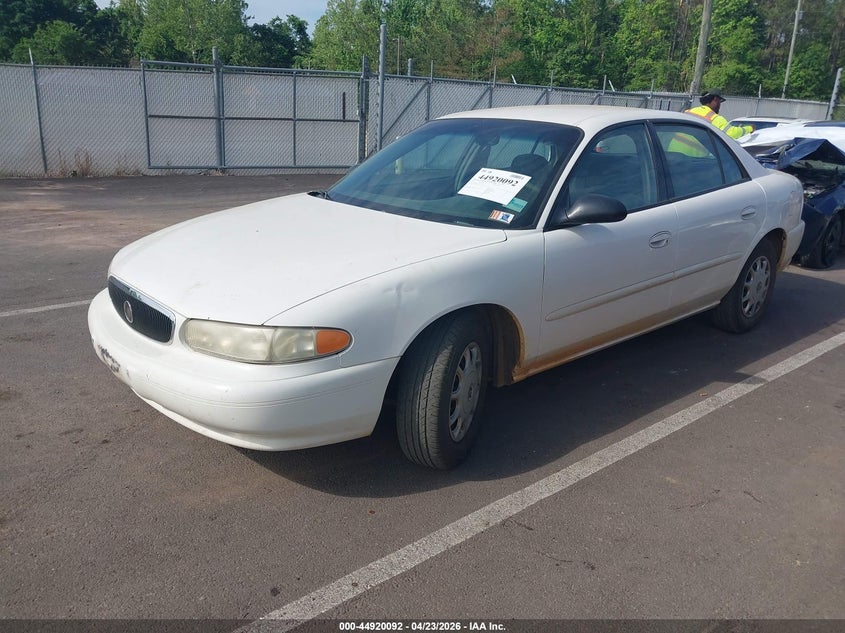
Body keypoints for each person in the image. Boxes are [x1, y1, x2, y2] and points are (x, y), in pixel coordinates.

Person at [685, 91, 753, 139]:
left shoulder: (689, 112)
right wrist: (750, 128)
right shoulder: (714, 118)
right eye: (719, 102)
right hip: (694, 156)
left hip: (675, 154)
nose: (720, 106)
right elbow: (732, 133)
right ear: (715, 99)